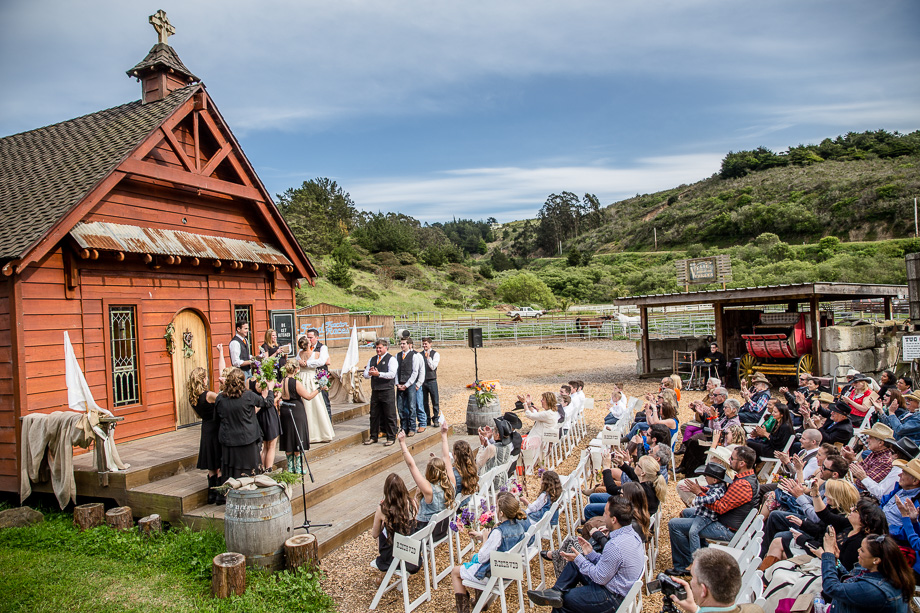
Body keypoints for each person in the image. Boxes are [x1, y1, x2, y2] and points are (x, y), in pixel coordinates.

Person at [527, 496, 644, 613]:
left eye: (605, 513)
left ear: (614, 520)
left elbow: (600, 577)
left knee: (564, 601)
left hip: (610, 597)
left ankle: (558, 596)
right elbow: (608, 564)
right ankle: (556, 591)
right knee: (576, 564)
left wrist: (579, 559)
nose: (603, 515)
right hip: (613, 584)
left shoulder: (615, 545)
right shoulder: (632, 534)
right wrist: (590, 553)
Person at [667, 446, 759, 576]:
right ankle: (702, 554)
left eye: (732, 458)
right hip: (723, 520)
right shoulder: (745, 477)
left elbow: (720, 507)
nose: (729, 460)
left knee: (674, 525)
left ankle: (685, 565)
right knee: (686, 513)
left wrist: (699, 493)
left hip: (727, 529)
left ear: (742, 463)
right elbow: (721, 496)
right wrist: (703, 490)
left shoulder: (743, 485)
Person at [452, 492, 529, 613]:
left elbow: (483, 558)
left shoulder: (498, 532)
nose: (496, 509)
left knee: (455, 572)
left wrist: (486, 539)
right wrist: (483, 537)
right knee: (473, 557)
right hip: (511, 570)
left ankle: (464, 610)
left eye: (497, 507)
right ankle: (480, 602)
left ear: (501, 513)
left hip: (494, 574)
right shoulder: (519, 527)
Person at [820, 534, 913, 613]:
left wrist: (828, 554)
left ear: (876, 560)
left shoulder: (875, 590)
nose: (858, 550)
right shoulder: (887, 574)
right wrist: (836, 563)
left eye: (863, 550)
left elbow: (831, 587)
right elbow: (851, 581)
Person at [215, 368, 278, 480]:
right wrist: (271, 389)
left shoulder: (220, 398)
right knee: (249, 473)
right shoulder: (248, 396)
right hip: (247, 440)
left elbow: (216, 418)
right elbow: (268, 403)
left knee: (232, 474)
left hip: (229, 441)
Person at [398, 421, 455, 539]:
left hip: (427, 535)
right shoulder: (451, 483)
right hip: (443, 529)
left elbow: (411, 465)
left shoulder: (428, 489)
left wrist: (402, 443)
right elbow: (446, 458)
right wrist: (444, 434)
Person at [668, 548, 764, 613]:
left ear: (704, 590)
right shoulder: (755, 609)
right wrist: (695, 609)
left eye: (692, 577)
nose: (691, 582)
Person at [370, 473, 421, 575]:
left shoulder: (382, 509)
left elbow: (374, 534)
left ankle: (382, 577)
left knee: (383, 531)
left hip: (392, 559)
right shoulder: (412, 504)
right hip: (411, 556)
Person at [277, 361, 322, 473]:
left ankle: (290, 466)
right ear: (296, 369)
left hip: (285, 410)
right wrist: (320, 389)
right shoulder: (296, 383)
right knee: (297, 436)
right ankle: (298, 467)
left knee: (288, 436)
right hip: (296, 409)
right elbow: (308, 396)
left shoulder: (281, 381)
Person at [186, 367, 221, 504]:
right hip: (216, 427)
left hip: (206, 428)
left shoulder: (193, 397)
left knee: (211, 465)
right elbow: (222, 402)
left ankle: (211, 495)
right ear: (203, 379)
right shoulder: (208, 395)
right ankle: (219, 495)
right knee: (219, 460)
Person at [684, 463, 733, 558]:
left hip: (706, 516)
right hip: (704, 513)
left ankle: (696, 560)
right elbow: (709, 490)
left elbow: (710, 499)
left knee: (693, 532)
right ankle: (703, 549)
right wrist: (700, 489)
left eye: (707, 476)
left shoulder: (718, 489)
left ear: (714, 480)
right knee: (686, 513)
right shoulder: (718, 486)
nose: (705, 477)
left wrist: (695, 500)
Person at [295, 333, 335, 444]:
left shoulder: (299, 354)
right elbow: (322, 362)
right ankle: (318, 433)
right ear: (308, 344)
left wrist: (304, 363)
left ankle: (306, 433)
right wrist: (307, 363)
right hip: (311, 379)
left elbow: (296, 361)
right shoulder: (315, 354)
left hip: (301, 378)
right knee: (315, 404)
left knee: (307, 404)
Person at [363, 339, 398, 446]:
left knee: (390, 414)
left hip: (387, 390)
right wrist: (370, 373)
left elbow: (392, 374)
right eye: (377, 348)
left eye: (380, 348)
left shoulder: (391, 359)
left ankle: (391, 437)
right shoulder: (372, 359)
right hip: (375, 390)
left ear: (385, 348)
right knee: (373, 415)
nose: (378, 350)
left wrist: (379, 374)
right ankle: (373, 436)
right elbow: (365, 375)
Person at [842, 422, 894, 492]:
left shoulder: (885, 461)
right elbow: (860, 469)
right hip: (856, 488)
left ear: (880, 443)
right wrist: (849, 459)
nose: (867, 440)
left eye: (870, 438)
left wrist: (853, 459)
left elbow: (863, 484)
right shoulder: (875, 453)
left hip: (862, 494)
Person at [301, 328, 332, 420]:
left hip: (321, 376)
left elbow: (322, 361)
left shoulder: (322, 347)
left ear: (317, 338)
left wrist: (307, 363)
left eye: (311, 337)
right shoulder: (303, 349)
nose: (309, 339)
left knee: (324, 399)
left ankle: (328, 422)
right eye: (307, 337)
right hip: (308, 377)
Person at [521, 392, 561, 459]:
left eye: (543, 399)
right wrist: (529, 405)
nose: (541, 401)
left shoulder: (548, 414)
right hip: (543, 438)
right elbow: (537, 415)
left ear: (548, 401)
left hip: (538, 438)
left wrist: (524, 403)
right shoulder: (551, 412)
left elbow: (530, 415)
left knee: (518, 443)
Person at [395, 337, 421, 436]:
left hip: (409, 384)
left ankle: (412, 427)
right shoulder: (397, 356)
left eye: (404, 344)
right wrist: (397, 383)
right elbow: (396, 371)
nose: (402, 345)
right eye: (401, 344)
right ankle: (403, 427)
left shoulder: (414, 356)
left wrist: (406, 385)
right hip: (400, 384)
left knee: (411, 406)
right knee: (401, 407)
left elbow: (415, 372)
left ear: (409, 344)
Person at [452, 439, 479, 509]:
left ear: (455, 455)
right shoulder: (473, 468)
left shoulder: (454, 473)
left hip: (457, 507)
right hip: (467, 502)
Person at [420, 337, 440, 429]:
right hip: (423, 381)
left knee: (435, 400)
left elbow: (433, 367)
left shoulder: (435, 354)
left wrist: (428, 358)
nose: (424, 345)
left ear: (430, 344)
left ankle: (436, 418)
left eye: (426, 344)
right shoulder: (419, 355)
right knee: (424, 402)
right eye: (423, 344)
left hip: (432, 380)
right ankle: (427, 419)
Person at [409, 338, 427, 432]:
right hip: (407, 384)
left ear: (410, 345)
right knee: (409, 405)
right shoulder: (401, 355)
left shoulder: (417, 355)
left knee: (419, 404)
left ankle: (422, 422)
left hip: (416, 383)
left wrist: (419, 383)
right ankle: (411, 424)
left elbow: (421, 370)